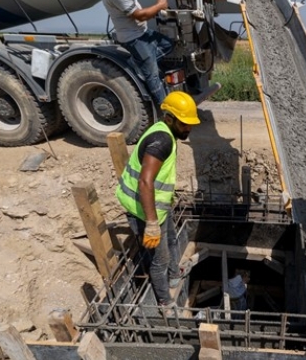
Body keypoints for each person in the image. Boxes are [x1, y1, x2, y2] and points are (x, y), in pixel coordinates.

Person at [116, 91, 200, 308]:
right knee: (159, 259)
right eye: (184, 124)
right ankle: (164, 301)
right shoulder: (162, 140)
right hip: (145, 211)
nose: (188, 128)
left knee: (172, 240)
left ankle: (175, 275)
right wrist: (152, 223)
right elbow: (145, 182)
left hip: (159, 206)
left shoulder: (166, 133)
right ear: (169, 118)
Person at [103, 0, 174, 106]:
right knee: (152, 76)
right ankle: (165, 109)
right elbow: (140, 16)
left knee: (167, 44)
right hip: (134, 38)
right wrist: (159, 6)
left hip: (142, 32)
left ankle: (138, 63)